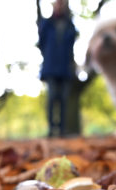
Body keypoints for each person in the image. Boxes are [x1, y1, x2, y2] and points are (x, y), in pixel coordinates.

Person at [38, 0, 77, 137]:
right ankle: (51, 129)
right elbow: (42, 44)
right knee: (52, 97)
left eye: (62, 4)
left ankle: (61, 130)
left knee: (63, 100)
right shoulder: (47, 24)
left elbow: (72, 46)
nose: (60, 6)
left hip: (65, 68)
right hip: (51, 67)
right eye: (58, 3)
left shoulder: (70, 25)